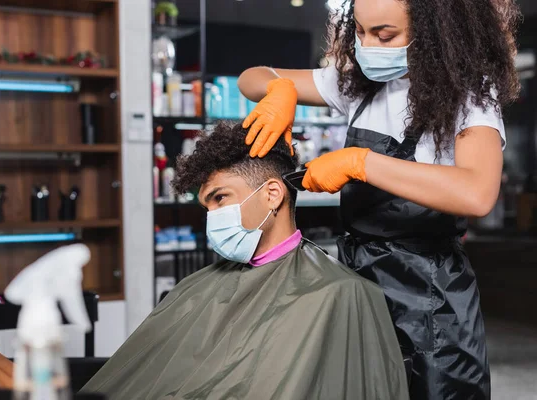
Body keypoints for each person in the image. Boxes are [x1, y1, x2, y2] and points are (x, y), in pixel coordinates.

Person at [236, 0, 521, 399]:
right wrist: (279, 89)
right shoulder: (358, 84)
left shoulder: (469, 92)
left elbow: (476, 192)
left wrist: (360, 163)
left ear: (434, 31)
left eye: (385, 35)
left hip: (430, 305)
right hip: (360, 290)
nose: (368, 46)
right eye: (361, 33)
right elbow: (249, 78)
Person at [80, 122, 409, 400]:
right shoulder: (195, 287)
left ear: (272, 194)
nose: (213, 217)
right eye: (207, 207)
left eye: (220, 198)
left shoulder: (340, 294)